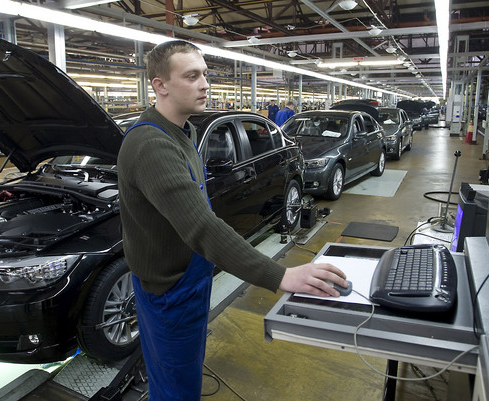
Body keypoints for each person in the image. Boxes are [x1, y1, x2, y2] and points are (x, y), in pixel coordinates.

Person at [116, 40, 347, 401]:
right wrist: (281, 275)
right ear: (160, 85)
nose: (205, 84)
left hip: (189, 276)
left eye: (205, 74)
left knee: (183, 372)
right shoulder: (151, 144)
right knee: (175, 386)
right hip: (170, 290)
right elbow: (201, 226)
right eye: (191, 76)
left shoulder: (183, 131)